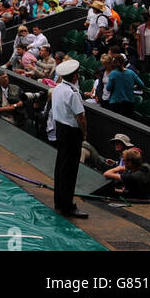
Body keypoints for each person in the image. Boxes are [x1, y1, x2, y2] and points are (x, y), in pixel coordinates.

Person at [50, 58, 89, 219]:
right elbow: (81, 117)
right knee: (70, 170)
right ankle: (67, 205)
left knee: (61, 166)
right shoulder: (73, 93)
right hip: (71, 132)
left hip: (60, 129)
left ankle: (59, 201)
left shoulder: (58, 88)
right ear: (75, 76)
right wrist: (84, 133)